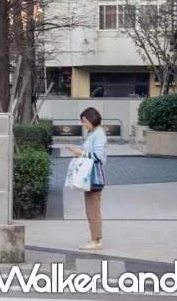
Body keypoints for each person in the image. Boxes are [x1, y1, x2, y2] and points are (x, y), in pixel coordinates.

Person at [67, 107, 107, 250]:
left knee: (93, 209)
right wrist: (79, 152)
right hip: (90, 175)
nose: (84, 124)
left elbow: (99, 157)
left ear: (92, 119)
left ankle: (96, 241)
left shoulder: (98, 134)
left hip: (93, 176)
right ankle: (95, 238)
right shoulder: (93, 133)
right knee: (91, 208)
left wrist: (81, 153)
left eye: (85, 121)